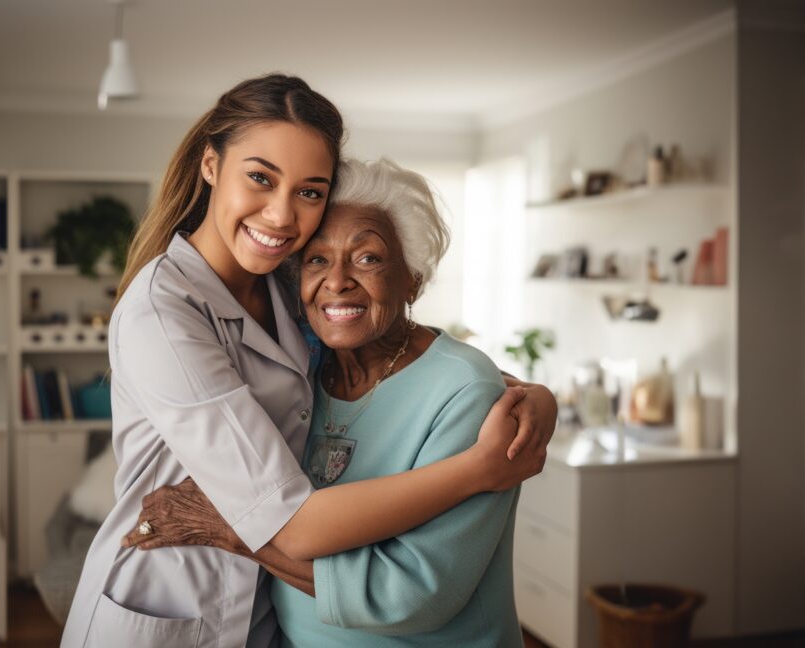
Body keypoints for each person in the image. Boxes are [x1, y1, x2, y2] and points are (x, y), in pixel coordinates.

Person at [62, 74, 555, 648]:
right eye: (260, 178)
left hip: (260, 615)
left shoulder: (284, 294)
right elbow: (291, 525)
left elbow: (434, 373)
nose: (279, 215)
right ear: (210, 165)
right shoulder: (163, 314)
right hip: (168, 605)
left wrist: (533, 397)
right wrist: (477, 468)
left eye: (309, 191)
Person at [124, 158, 525, 647]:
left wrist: (233, 528)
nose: (337, 281)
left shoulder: (464, 390)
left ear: (412, 280)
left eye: (368, 258)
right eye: (317, 259)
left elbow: (410, 592)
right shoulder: (304, 368)